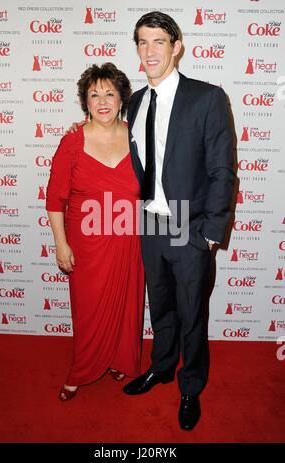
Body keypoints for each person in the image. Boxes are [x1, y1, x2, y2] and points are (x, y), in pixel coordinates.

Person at [121, 11, 235, 431]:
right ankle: (162, 367)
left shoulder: (206, 97)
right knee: (162, 307)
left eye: (158, 42)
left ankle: (190, 387)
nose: (150, 51)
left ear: (177, 46)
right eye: (142, 43)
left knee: (192, 313)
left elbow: (223, 171)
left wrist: (209, 233)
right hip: (150, 225)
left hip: (191, 227)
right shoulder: (134, 102)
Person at [46, 63, 144, 401]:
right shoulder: (72, 142)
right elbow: (55, 200)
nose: (102, 101)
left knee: (127, 306)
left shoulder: (138, 136)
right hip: (86, 245)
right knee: (88, 311)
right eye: (94, 94)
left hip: (130, 241)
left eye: (109, 93)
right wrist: (61, 245)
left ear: (121, 99)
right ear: (85, 101)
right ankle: (83, 369)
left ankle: (119, 359)